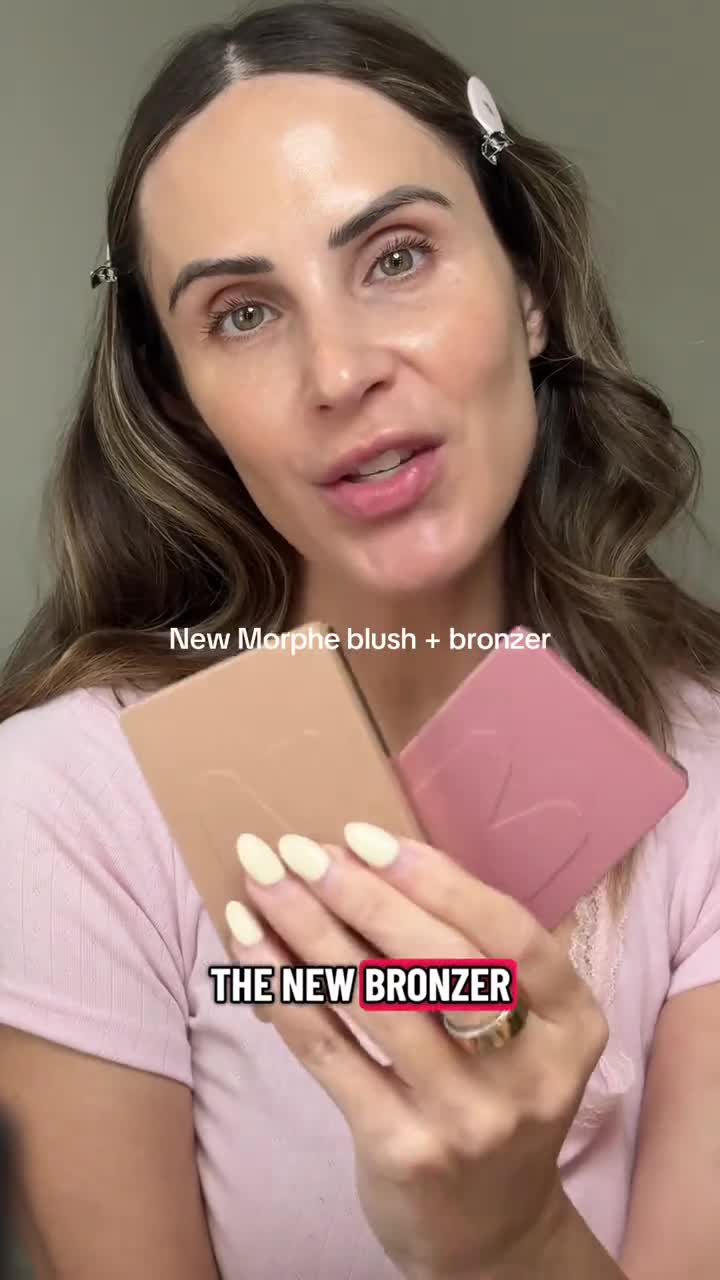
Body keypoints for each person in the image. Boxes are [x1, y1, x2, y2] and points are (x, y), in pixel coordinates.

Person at [0, 2, 718, 1276]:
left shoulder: (706, 768)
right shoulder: (62, 805)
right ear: (182, 401)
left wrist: (511, 1235)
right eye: (241, 313)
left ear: (532, 290)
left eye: (396, 256)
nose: (340, 373)